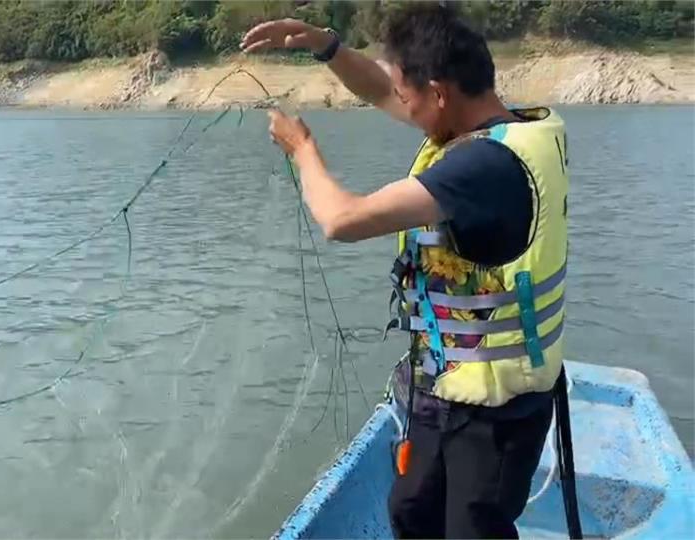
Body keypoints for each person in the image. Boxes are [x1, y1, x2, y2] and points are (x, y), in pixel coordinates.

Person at [241, 4, 569, 539]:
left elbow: (341, 219)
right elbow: (381, 89)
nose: (400, 107)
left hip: (494, 414)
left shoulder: (484, 168)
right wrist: (327, 47)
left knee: (473, 530)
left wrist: (303, 150)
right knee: (411, 512)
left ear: (439, 91)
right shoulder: (507, 124)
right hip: (443, 394)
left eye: (409, 97)